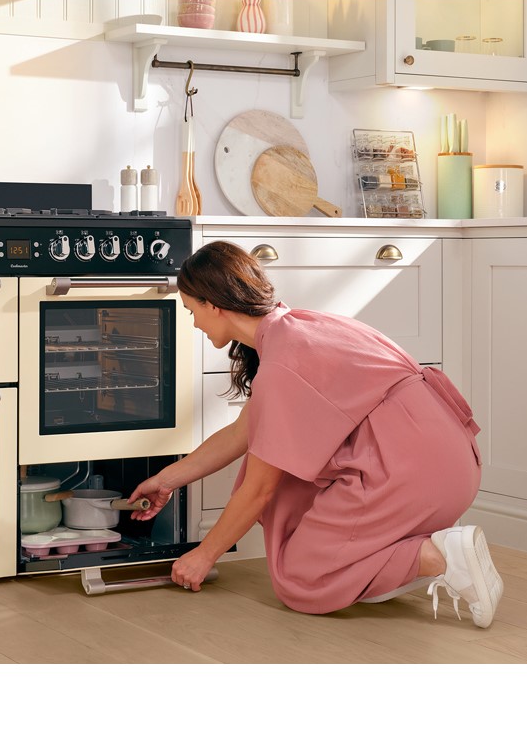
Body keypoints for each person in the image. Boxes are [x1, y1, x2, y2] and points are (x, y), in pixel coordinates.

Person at [127, 240, 504, 628]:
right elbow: (241, 433)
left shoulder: (281, 364)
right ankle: (401, 554)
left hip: (411, 477)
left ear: (214, 305)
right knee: (284, 474)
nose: (194, 324)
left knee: (300, 581)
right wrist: (165, 480)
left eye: (192, 311)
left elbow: (259, 490)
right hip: (452, 466)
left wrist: (204, 555)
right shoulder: (299, 328)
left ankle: (440, 557)